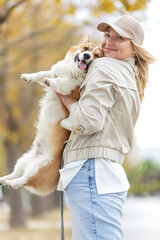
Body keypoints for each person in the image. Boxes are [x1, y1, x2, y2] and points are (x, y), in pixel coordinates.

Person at [56, 15, 155, 240]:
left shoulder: (103, 67)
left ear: (133, 49)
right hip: (106, 172)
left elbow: (89, 121)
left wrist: (66, 100)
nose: (109, 41)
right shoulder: (130, 75)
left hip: (91, 171)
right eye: (107, 35)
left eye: (119, 37)